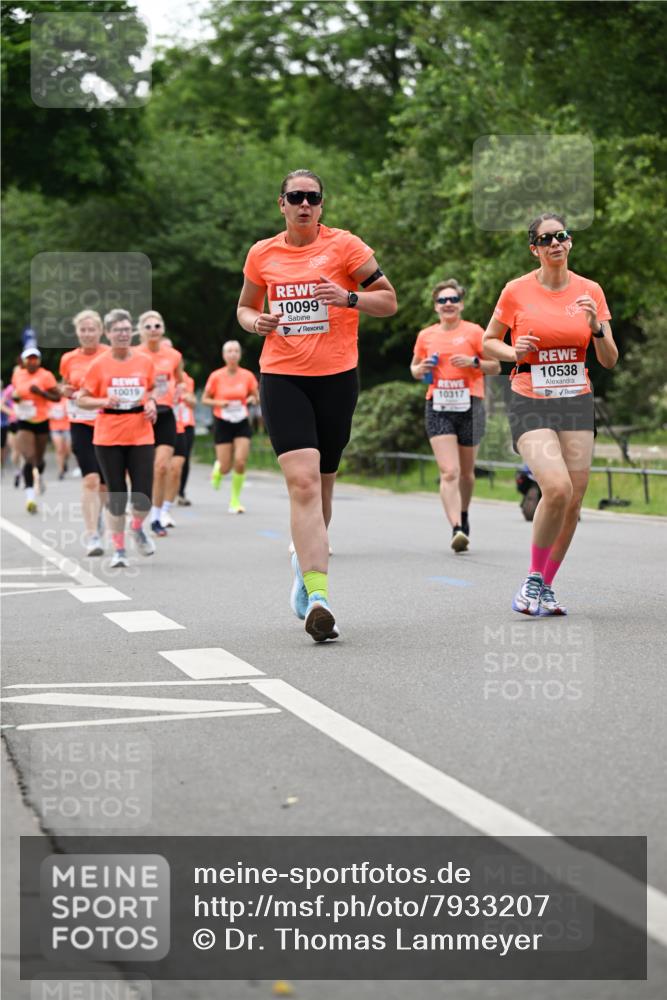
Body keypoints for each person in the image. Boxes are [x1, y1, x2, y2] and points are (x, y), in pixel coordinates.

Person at [237, 168, 397, 641]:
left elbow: (388, 301)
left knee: (322, 490)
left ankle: (303, 572)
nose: (304, 204)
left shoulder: (347, 247)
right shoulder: (262, 253)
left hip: (336, 379)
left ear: (321, 205)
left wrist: (348, 297)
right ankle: (320, 597)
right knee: (303, 484)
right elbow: (244, 307)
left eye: (313, 197)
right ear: (281, 203)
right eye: (295, 197)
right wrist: (255, 322)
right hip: (283, 377)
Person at [483, 212, 618, 615]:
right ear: (534, 249)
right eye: (546, 239)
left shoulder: (590, 290)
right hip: (530, 396)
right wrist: (513, 353)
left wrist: (597, 329)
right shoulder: (516, 291)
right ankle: (532, 580)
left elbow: (609, 360)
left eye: (562, 236)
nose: (556, 243)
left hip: (576, 398)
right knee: (556, 487)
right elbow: (490, 341)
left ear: (570, 242)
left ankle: (544, 585)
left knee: (573, 502)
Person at [410, 279, 500, 551]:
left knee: (466, 474)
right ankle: (456, 529)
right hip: (438, 405)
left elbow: (495, 366)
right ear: (435, 306)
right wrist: (421, 367)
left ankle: (463, 514)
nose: (447, 304)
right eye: (442, 301)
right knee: (449, 471)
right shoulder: (426, 335)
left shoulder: (474, 332)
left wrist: (474, 362)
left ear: (460, 304)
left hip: (470, 404)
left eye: (452, 300)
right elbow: (415, 370)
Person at [77, 309, 157, 568]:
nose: (122, 334)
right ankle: (119, 551)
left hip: (141, 432)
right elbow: (82, 398)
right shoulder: (98, 364)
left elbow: (153, 390)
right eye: (117, 330)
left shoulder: (144, 361)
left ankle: (136, 527)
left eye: (126, 330)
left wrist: (153, 404)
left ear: (130, 332)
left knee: (144, 494)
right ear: (109, 334)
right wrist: (102, 400)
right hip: (108, 435)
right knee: (116, 496)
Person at [60, 310, 110, 555]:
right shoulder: (68, 359)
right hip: (80, 423)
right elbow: (66, 385)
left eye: (92, 329)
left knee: (104, 485)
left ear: (100, 331)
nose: (88, 334)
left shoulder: (110, 355)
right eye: (83, 330)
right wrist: (67, 391)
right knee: (90, 479)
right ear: (77, 332)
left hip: (107, 423)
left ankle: (98, 516)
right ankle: (92, 535)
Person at [136, 311, 184, 536]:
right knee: (139, 469)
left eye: (157, 325)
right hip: (139, 415)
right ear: (141, 331)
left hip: (165, 414)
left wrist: (179, 390)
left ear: (162, 329)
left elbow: (180, 379)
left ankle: (156, 518)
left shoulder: (173, 355)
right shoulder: (133, 354)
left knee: (161, 467)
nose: (153, 329)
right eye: (148, 326)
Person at [202, 341, 258, 514]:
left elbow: (256, 397)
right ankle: (219, 470)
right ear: (224, 355)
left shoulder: (247, 375)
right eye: (229, 351)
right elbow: (205, 399)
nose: (233, 354)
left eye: (235, 351)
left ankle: (235, 501)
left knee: (240, 461)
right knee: (226, 467)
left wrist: (251, 400)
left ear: (239, 355)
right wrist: (219, 402)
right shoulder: (216, 376)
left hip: (241, 421)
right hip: (222, 421)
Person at [11, 347, 60, 513]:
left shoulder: (46, 375)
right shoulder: (18, 374)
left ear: (39, 361)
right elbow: (15, 393)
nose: (32, 362)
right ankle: (30, 498)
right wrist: (16, 398)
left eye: (35, 359)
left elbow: (57, 397)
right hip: (24, 420)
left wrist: (41, 393)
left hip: (42, 420)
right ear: (24, 361)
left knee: (39, 460)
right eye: (29, 359)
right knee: (29, 457)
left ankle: (39, 475)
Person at [177, 369, 196, 505]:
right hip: (165, 423)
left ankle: (181, 492)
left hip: (186, 423)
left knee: (184, 459)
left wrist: (187, 398)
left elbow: (193, 401)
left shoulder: (186, 379)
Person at [48, 398, 71, 480]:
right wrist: (50, 414)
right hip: (55, 428)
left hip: (67, 427)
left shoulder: (65, 400)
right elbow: (44, 412)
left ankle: (65, 461)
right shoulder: (49, 401)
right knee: (59, 450)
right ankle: (61, 471)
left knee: (68, 450)